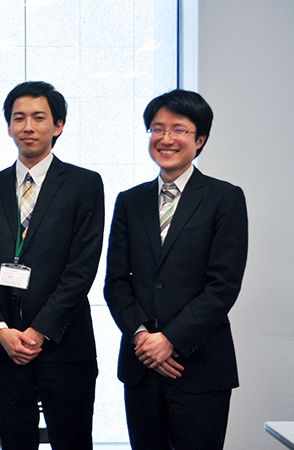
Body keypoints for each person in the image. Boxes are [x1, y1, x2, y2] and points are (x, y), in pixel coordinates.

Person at [104, 89, 248, 449]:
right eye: (157, 128)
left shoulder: (224, 198)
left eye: (179, 129)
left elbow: (223, 286)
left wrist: (169, 341)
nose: (166, 138)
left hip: (198, 367)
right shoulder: (129, 201)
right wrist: (142, 339)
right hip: (141, 367)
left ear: (199, 140)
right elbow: (116, 282)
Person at [0, 81, 104, 450]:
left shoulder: (84, 184)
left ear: (57, 126)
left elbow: (82, 268)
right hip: (7, 348)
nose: (28, 126)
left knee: (73, 442)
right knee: (15, 443)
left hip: (65, 346)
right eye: (19, 118)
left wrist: (38, 331)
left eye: (38, 117)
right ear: (9, 127)